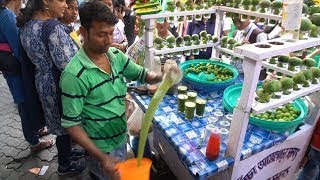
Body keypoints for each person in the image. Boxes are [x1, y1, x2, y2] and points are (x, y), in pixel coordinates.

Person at [60, 1, 178, 179]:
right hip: (100, 150)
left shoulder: (115, 56)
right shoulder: (74, 75)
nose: (109, 41)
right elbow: (72, 125)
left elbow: (142, 74)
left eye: (111, 34)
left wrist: (163, 75)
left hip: (120, 139)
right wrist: (102, 158)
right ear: (83, 32)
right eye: (101, 35)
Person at [17, 0, 85, 175]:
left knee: (58, 122)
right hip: (60, 83)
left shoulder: (28, 26)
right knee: (66, 120)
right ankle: (65, 164)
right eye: (61, 0)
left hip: (43, 81)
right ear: (46, 1)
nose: (65, 5)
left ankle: (67, 153)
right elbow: (68, 64)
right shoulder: (53, 28)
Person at [0, 0, 53, 151]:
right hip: (18, 69)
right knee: (24, 103)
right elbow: (18, 47)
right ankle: (34, 141)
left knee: (23, 101)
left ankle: (35, 129)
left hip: (9, 68)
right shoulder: (6, 16)